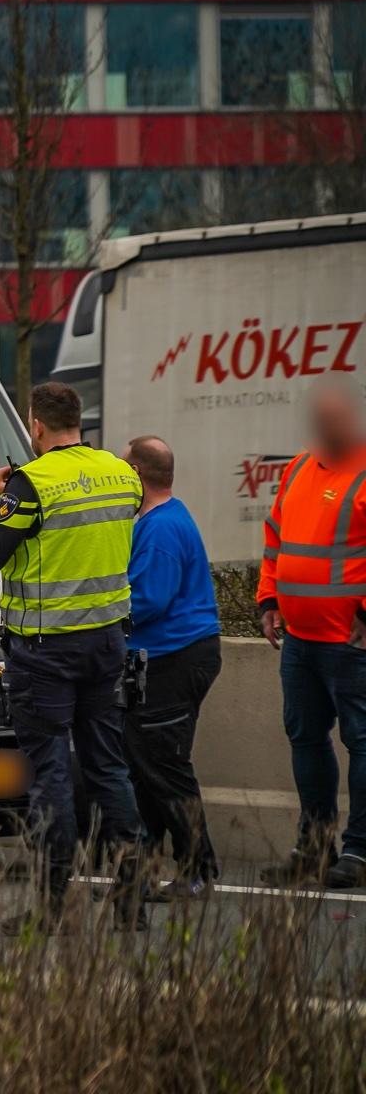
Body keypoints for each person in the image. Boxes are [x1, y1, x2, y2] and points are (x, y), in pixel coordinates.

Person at [0, 381, 146, 933]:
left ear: (36, 427)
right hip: (107, 643)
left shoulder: (31, 484)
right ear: (80, 421)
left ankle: (52, 907)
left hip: (45, 652)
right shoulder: (123, 474)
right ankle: (131, 897)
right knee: (109, 766)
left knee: (49, 774)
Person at [256, 380, 366, 890]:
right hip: (300, 639)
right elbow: (275, 536)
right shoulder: (300, 467)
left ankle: (359, 853)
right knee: (305, 738)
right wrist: (269, 598)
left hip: (352, 642)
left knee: (362, 743)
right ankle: (314, 846)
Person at [119, 435, 222, 901]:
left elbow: (150, 601)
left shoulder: (159, 529)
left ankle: (198, 870)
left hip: (173, 661)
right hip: (171, 658)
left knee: (164, 767)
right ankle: (140, 873)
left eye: (124, 469)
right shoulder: (164, 519)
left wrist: (98, 613)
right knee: (146, 769)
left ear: (137, 473)